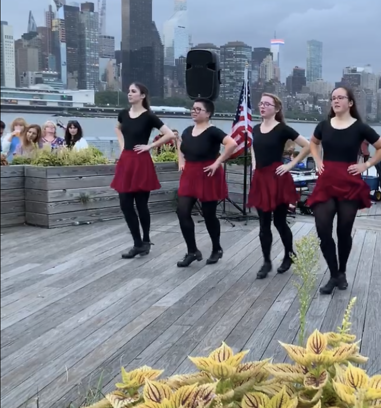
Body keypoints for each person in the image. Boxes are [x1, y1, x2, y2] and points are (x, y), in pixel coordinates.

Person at [307, 86, 381, 294]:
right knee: (323, 230)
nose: (336, 101)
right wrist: (317, 161)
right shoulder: (323, 125)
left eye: (340, 97)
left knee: (343, 232)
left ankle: (341, 272)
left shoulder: (360, 127)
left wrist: (365, 165)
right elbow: (313, 143)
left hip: (349, 182)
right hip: (326, 182)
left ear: (350, 103)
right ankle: (334, 274)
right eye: (333, 98)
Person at [248, 93, 311, 278]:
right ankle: (266, 261)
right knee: (263, 223)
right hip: (260, 178)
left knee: (279, 221)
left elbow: (307, 146)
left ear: (276, 109)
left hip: (277, 178)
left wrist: (290, 164)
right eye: (261, 104)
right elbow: (253, 147)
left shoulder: (282, 129)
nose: (263, 106)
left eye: (267, 104)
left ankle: (289, 254)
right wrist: (253, 165)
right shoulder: (255, 128)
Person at [111, 82, 176, 259]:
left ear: (142, 96)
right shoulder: (123, 114)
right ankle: (137, 243)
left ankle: (145, 241)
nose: (129, 94)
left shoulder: (149, 117)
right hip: (127, 160)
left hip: (141, 162)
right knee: (125, 203)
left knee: (141, 205)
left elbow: (170, 134)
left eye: (133, 91)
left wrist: (150, 146)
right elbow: (117, 128)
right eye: (129, 91)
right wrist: (122, 145)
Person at [175, 98, 237, 267]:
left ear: (208, 113)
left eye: (198, 109)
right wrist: (181, 161)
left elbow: (232, 144)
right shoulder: (187, 131)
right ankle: (192, 251)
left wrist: (218, 162)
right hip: (189, 175)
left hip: (208, 174)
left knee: (209, 215)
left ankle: (216, 249)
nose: (194, 111)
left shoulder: (213, 131)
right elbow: (180, 145)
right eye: (193, 108)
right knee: (182, 211)